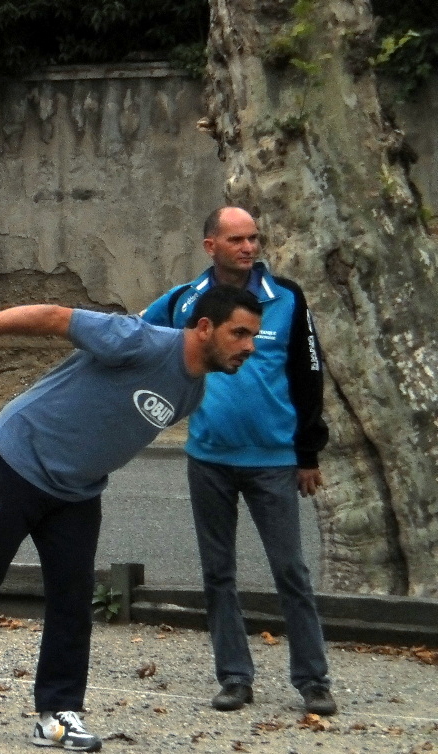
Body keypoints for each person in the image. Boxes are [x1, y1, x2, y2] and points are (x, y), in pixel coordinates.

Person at [0, 283, 264, 752]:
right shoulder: (139, 340)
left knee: (73, 596)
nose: (250, 347)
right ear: (206, 327)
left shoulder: (192, 392)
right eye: (240, 334)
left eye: (253, 335)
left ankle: (57, 714)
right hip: (17, 458)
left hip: (75, 490)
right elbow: (54, 317)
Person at [142, 206, 335, 716]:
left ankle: (313, 680)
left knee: (290, 569)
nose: (249, 247)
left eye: (254, 238)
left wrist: (308, 451)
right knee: (218, 573)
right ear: (211, 246)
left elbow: (308, 377)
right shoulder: (187, 301)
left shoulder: (288, 299)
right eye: (237, 239)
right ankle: (234, 677)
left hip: (273, 460)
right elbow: (139, 336)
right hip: (208, 458)